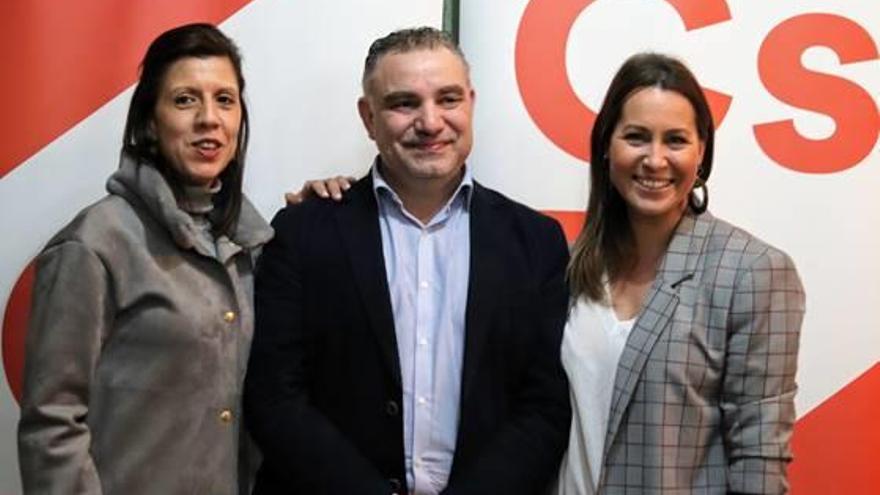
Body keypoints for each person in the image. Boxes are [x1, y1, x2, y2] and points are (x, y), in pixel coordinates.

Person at [243, 27, 571, 494]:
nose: (431, 122)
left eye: (448, 99)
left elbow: (545, 407)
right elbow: (275, 399)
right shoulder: (301, 232)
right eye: (404, 103)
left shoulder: (535, 242)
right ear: (368, 116)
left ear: (471, 103)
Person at [17, 23, 272, 494]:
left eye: (224, 99)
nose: (208, 118)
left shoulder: (250, 248)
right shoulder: (94, 244)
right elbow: (52, 423)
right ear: (150, 122)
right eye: (184, 100)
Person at [555, 53, 805, 494]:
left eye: (675, 140)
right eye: (636, 137)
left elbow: (759, 459)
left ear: (701, 152)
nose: (655, 160)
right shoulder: (573, 264)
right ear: (605, 146)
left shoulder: (753, 271)